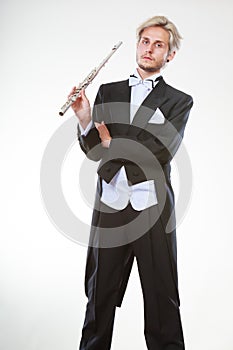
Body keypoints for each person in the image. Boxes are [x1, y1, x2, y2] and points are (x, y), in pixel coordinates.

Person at [70, 15, 193, 350]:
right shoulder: (108, 91)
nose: (149, 49)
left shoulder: (179, 101)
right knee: (99, 296)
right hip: (111, 206)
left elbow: (161, 151)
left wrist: (113, 143)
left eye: (158, 45)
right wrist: (84, 118)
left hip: (152, 210)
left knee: (161, 296)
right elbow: (95, 151)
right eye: (145, 41)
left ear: (169, 55)